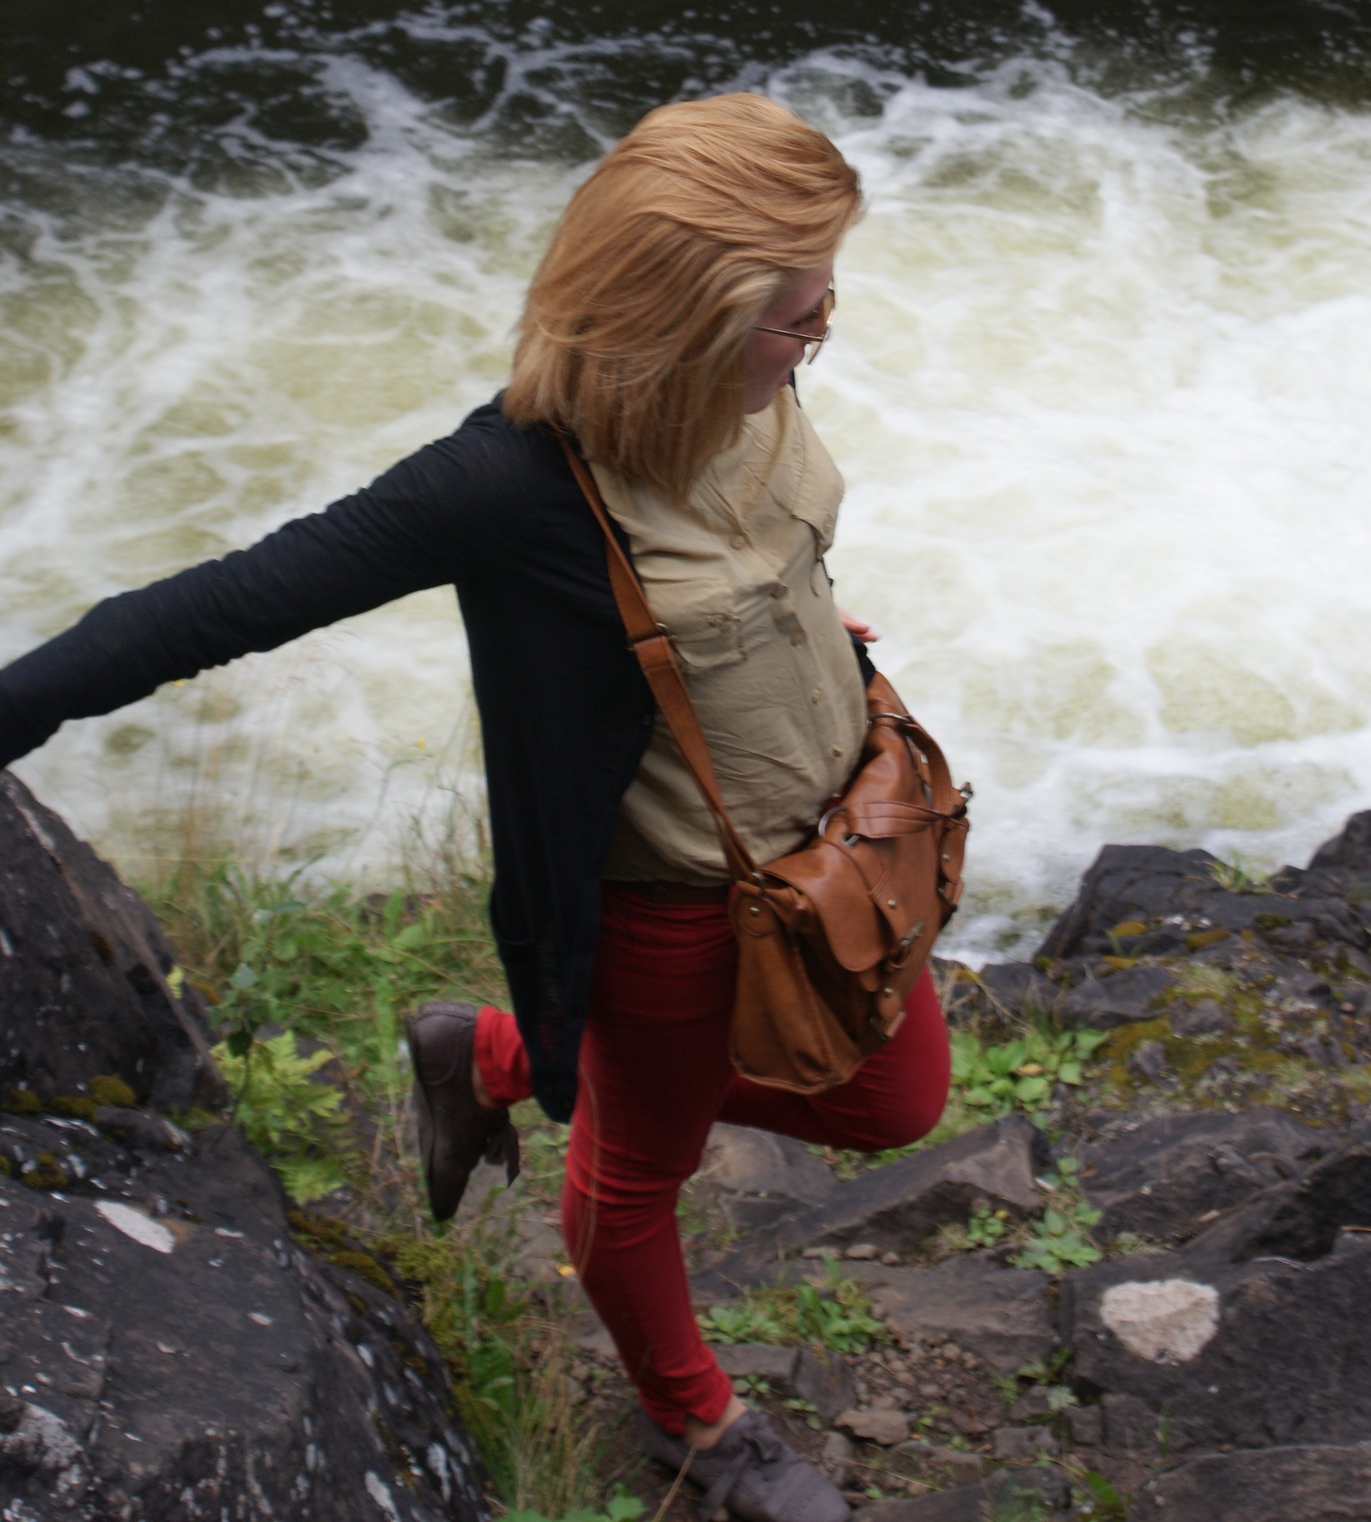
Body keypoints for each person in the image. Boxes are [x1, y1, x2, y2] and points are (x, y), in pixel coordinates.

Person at [0, 93, 951, 1521]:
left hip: (841, 850)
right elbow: (219, 605)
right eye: (799, 317)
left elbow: (762, 561)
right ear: (686, 324)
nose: (821, 338)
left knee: (896, 1102)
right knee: (634, 1175)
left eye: (826, 304)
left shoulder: (754, 391)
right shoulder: (507, 484)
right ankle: (694, 1421)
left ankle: (496, 1055)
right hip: (677, 907)